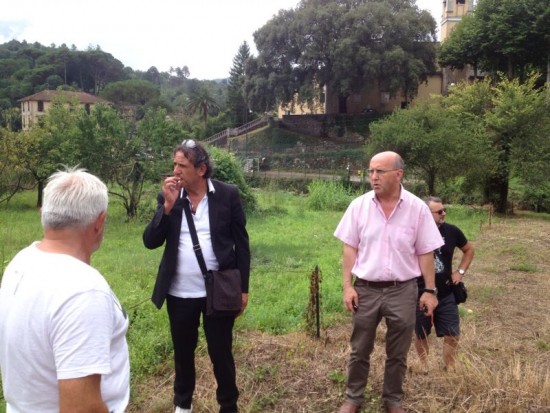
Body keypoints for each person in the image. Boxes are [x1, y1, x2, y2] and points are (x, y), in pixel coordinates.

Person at [0, 168, 130, 413]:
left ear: (43, 215)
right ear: (99, 222)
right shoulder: (84, 291)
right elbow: (82, 408)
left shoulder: (21, 262)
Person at [143, 140, 250, 413]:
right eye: (174, 164)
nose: (175, 171)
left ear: (201, 169)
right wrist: (166, 208)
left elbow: (242, 245)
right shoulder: (169, 197)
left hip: (219, 291)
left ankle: (228, 405)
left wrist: (243, 289)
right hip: (179, 293)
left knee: (221, 353)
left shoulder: (227, 195)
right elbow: (150, 241)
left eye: (183, 165)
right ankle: (183, 405)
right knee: (183, 352)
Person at [333, 151, 444, 413]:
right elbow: (350, 249)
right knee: (359, 349)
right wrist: (348, 286)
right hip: (366, 289)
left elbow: (425, 252)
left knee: (398, 351)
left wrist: (429, 290)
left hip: (403, 290)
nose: (373, 177)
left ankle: (393, 399)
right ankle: (353, 398)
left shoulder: (417, 208)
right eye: (371, 171)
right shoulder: (358, 206)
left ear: (398, 174)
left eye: (379, 171)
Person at [414, 196, 475, 369]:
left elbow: (469, 249)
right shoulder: (415, 232)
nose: (444, 213)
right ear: (426, 213)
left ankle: (450, 367)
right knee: (421, 334)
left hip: (446, 292)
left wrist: (460, 272)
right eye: (439, 211)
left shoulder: (452, 231)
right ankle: (424, 366)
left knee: (452, 334)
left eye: (444, 209)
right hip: (420, 293)